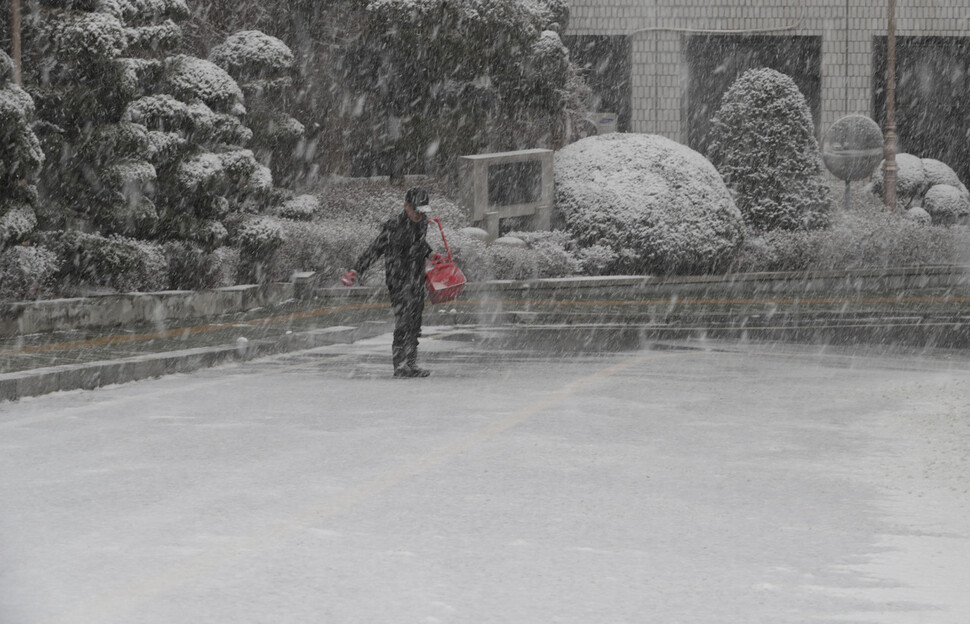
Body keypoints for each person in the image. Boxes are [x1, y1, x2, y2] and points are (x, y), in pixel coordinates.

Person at [341, 186, 434, 378]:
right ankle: (400, 365)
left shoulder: (423, 222)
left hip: (417, 277)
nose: (419, 215)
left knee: (415, 321)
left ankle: (411, 362)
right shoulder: (393, 226)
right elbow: (375, 249)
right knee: (403, 320)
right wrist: (356, 270)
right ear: (406, 206)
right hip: (398, 279)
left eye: (422, 211)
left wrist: (432, 254)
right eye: (416, 211)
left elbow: (420, 243)